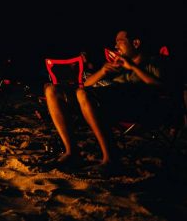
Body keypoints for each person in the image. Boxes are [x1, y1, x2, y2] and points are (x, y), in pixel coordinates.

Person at [44, 30, 164, 171]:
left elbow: (162, 87)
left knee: (83, 94)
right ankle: (72, 152)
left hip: (136, 108)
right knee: (52, 90)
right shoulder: (118, 65)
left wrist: (132, 67)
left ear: (136, 43)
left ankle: (110, 157)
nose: (115, 45)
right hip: (104, 105)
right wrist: (102, 72)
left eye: (120, 41)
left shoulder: (154, 62)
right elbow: (85, 85)